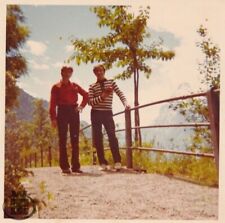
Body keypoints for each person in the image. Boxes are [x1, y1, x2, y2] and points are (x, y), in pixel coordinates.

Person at [88, 64, 130, 170]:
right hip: (95, 113)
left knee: (112, 136)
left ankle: (117, 161)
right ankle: (102, 163)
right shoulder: (92, 86)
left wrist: (125, 103)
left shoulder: (111, 82)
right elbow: (90, 102)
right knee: (98, 139)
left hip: (107, 113)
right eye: (97, 71)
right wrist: (102, 96)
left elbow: (120, 93)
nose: (99, 72)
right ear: (94, 73)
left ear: (104, 71)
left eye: (101, 70)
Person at [49, 66, 88, 174]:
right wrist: (53, 118)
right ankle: (64, 166)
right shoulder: (56, 87)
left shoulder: (74, 86)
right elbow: (52, 104)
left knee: (75, 139)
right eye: (65, 72)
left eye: (69, 72)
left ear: (71, 74)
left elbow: (86, 95)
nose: (67, 74)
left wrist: (81, 106)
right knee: (62, 139)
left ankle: (76, 166)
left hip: (74, 112)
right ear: (61, 72)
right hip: (62, 112)